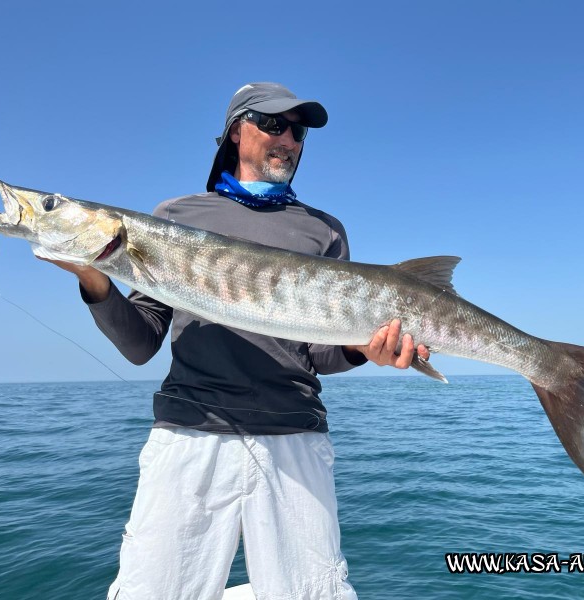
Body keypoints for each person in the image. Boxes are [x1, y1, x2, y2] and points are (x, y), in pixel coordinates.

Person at [44, 82, 429, 600]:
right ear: (234, 132)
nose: (289, 139)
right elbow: (141, 343)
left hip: (295, 436)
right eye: (274, 124)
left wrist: (366, 349)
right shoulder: (176, 217)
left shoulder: (324, 231)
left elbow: (317, 352)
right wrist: (94, 279)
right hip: (190, 435)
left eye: (298, 131)